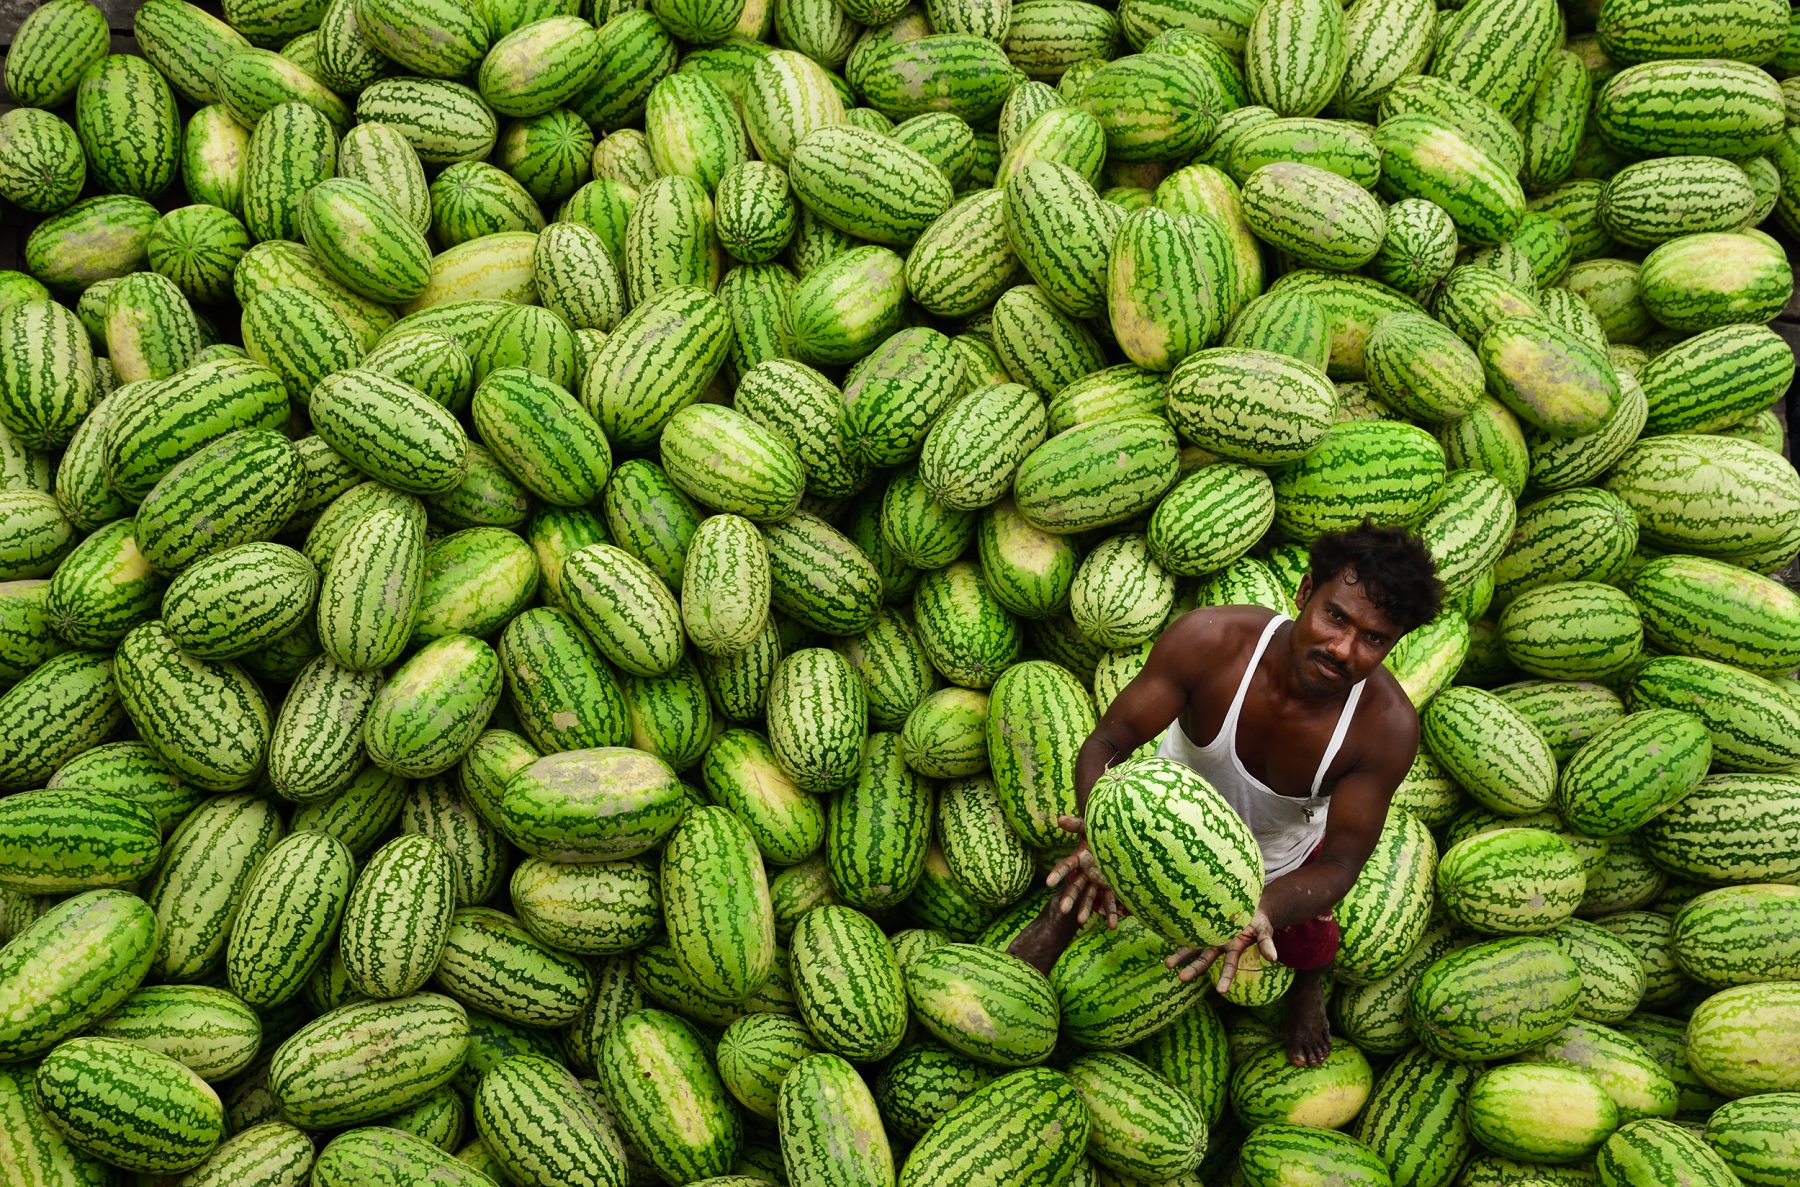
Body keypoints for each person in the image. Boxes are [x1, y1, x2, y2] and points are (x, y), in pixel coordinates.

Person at [1007, 522, 1444, 1068]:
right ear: (1305, 592)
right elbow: (1108, 742)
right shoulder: (1212, 641)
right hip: (1162, 816)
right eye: (1336, 616)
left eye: (1374, 639)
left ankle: (1308, 989)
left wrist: (1264, 909)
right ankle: (1060, 920)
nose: (1343, 649)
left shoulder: (1385, 729)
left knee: (1309, 935)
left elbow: (1340, 861)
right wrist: (1105, 833)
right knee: (1089, 874)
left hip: (1276, 857)